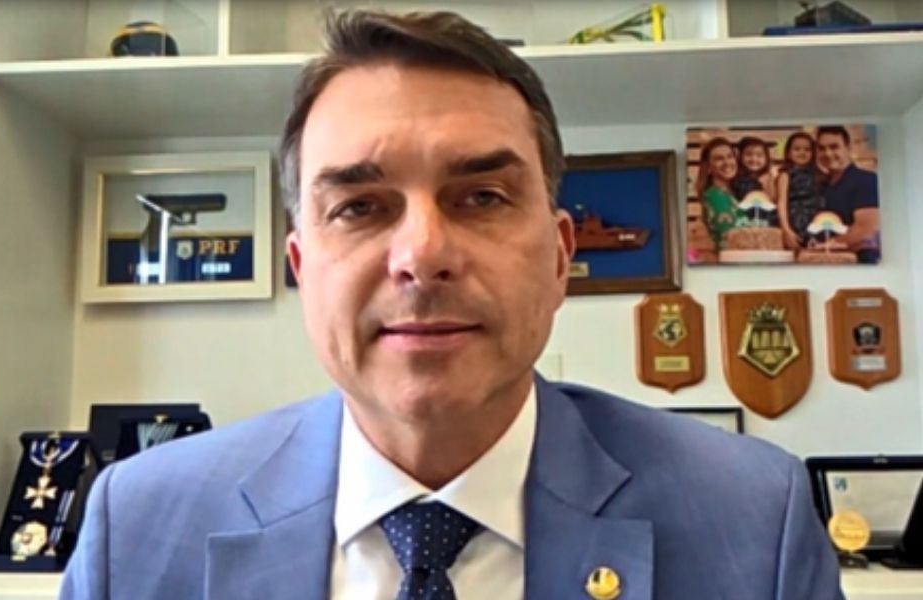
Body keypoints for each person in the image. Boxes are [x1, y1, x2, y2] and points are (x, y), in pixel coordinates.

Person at [61, 10, 843, 600]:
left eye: (482, 196)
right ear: (302, 269)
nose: (422, 253)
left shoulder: (753, 521)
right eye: (360, 207)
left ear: (560, 257)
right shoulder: (137, 527)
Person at [816, 125, 881, 263]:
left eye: (834, 147)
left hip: (861, 263)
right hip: (826, 263)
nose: (827, 153)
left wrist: (827, 246)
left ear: (848, 148)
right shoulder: (822, 186)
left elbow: (866, 229)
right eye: (822, 148)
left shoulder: (866, 180)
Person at [776, 131, 823, 250]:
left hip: (814, 221)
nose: (802, 152)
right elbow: (781, 202)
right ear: (788, 153)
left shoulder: (817, 174)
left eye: (807, 149)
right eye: (797, 149)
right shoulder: (786, 175)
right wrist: (786, 230)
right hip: (794, 221)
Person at [695, 137, 743, 251]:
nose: (727, 162)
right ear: (708, 167)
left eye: (730, 156)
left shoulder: (731, 193)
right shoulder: (714, 196)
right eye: (719, 159)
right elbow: (728, 238)